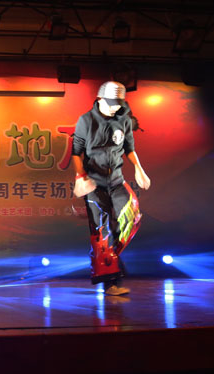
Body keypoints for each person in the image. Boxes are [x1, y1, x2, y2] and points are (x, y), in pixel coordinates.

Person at [72, 81, 151, 296]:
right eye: (111, 103)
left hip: (116, 181)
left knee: (132, 217)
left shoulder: (123, 120)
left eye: (118, 104)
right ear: (100, 99)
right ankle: (110, 282)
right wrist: (80, 177)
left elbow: (129, 148)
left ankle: (106, 255)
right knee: (102, 232)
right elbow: (76, 152)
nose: (115, 107)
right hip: (94, 185)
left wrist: (139, 169)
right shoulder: (86, 120)